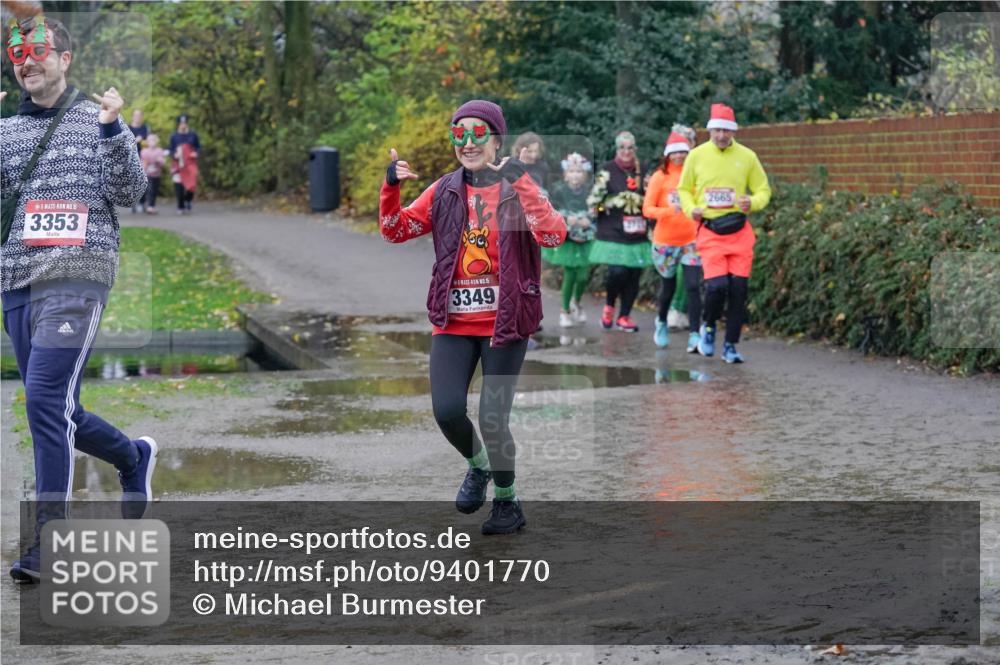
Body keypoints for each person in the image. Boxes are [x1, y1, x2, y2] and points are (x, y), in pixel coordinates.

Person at [1, 15, 157, 583]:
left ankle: (48, 543)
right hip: (18, 280)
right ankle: (132, 456)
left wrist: (116, 131)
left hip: (79, 275)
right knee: (57, 407)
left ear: (65, 60)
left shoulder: (99, 119)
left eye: (39, 50)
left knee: (42, 401)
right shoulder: (6, 131)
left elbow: (130, 193)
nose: (27, 60)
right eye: (18, 54)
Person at [379, 100, 566, 534]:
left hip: (507, 324)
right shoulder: (443, 189)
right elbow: (395, 230)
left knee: (492, 420)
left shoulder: (519, 187)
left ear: (497, 141)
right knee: (447, 411)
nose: (467, 142)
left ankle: (507, 501)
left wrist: (522, 183)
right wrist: (391, 189)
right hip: (453, 322)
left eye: (477, 133)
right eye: (458, 133)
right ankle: (478, 467)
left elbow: (554, 234)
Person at [677, 103, 771, 363]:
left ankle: (730, 345)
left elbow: (764, 190)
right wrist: (691, 208)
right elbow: (683, 189)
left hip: (739, 231)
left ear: (733, 132)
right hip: (710, 231)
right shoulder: (696, 156)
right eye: (717, 130)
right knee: (717, 287)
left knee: (739, 290)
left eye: (726, 132)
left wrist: (752, 202)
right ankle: (708, 328)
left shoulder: (747, 157)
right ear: (710, 130)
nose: (721, 136)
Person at [643, 127, 702, 352]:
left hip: (692, 240)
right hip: (666, 241)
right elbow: (647, 209)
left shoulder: (695, 174)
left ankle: (695, 334)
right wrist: (669, 211)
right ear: (668, 154)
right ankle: (661, 322)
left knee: (693, 286)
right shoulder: (660, 177)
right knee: (667, 287)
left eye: (683, 152)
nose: (679, 156)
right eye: (675, 152)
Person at [587, 131, 650, 332]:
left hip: (637, 232)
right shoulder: (607, 170)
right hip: (612, 231)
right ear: (617, 149)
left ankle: (625, 316)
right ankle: (609, 306)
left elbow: (652, 197)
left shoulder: (643, 170)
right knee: (617, 272)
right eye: (622, 147)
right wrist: (605, 206)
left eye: (630, 148)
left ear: (635, 149)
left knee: (633, 274)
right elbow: (593, 204)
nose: (626, 152)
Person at [544, 152, 594, 327]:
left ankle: (577, 302)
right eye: (572, 171)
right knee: (570, 273)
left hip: (585, 236)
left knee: (583, 276)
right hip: (568, 238)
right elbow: (551, 209)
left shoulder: (590, 191)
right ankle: (564, 310)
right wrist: (565, 218)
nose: (575, 175)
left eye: (579, 171)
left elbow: (597, 208)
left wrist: (590, 217)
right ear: (566, 174)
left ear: (585, 174)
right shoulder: (559, 190)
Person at [169, 114, 200, 214]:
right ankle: (180, 205)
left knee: (192, 183)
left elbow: (198, 147)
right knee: (179, 184)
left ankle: (188, 200)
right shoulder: (174, 136)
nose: (183, 125)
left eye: (185, 123)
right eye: (181, 123)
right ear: (178, 124)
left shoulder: (193, 135)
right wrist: (175, 155)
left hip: (190, 163)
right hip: (178, 163)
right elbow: (171, 150)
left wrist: (195, 153)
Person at [127, 109, 149, 213]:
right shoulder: (128, 128)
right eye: (135, 115)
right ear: (132, 117)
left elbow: (149, 142)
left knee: (143, 180)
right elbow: (126, 143)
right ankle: (133, 203)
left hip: (143, 158)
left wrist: (145, 142)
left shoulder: (145, 128)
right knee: (132, 181)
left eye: (139, 115)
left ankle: (142, 202)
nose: (137, 117)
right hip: (131, 157)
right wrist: (136, 140)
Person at [140, 133, 166, 214]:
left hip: (157, 174)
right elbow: (142, 162)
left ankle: (152, 205)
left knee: (154, 190)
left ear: (156, 141)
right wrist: (144, 168)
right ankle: (149, 206)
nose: (152, 142)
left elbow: (163, 162)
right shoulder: (144, 151)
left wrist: (159, 161)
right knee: (150, 189)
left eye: (154, 140)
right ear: (147, 142)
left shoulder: (159, 151)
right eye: (150, 140)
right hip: (147, 174)